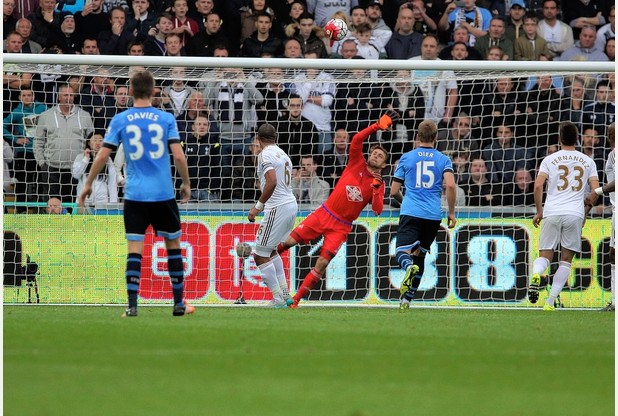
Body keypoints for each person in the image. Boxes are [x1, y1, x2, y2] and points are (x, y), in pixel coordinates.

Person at [78, 70, 193, 317]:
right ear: (153, 91)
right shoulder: (166, 119)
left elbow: (103, 154)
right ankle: (178, 303)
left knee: (134, 249)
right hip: (163, 194)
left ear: (130, 91)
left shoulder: (121, 120)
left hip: (135, 195)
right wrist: (185, 183)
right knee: (173, 245)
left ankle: (132, 306)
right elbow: (179, 156)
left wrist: (87, 184)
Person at [276, 110, 398, 308]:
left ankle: (295, 300)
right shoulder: (356, 162)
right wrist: (376, 126)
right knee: (289, 242)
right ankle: (267, 261)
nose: (376, 156)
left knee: (322, 264)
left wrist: (375, 190)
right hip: (324, 213)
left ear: (384, 164)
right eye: (374, 153)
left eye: (380, 156)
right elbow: (357, 138)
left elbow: (377, 210)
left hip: (341, 227)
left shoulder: (379, 183)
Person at [528, 122, 599, 311]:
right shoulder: (588, 161)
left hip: (552, 211)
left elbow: (537, 185)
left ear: (559, 138)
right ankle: (550, 302)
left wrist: (539, 211)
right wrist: (586, 211)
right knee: (566, 260)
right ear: (578, 139)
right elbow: (595, 191)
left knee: (545, 255)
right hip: (574, 213)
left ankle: (537, 274)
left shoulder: (550, 160)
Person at [390, 120, 457, 310]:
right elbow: (451, 185)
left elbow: (394, 190)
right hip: (433, 215)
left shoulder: (407, 158)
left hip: (411, 212)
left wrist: (406, 202)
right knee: (420, 255)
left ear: (417, 137)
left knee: (402, 252)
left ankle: (407, 268)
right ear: (436, 138)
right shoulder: (443, 159)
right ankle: (407, 300)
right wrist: (451, 212)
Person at [247, 123, 298, 308]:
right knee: (271, 250)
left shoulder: (264, 154)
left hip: (277, 207)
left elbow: (272, 181)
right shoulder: (283, 154)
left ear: (258, 139)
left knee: (260, 256)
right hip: (290, 204)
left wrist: (257, 207)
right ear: (275, 138)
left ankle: (277, 299)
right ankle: (285, 295)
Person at [585, 122, 615, 311]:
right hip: (615, 210)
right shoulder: (612, 154)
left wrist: (597, 191)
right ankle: (614, 301)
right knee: (613, 255)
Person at [72, 130, 118, 210]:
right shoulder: (80, 157)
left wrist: (113, 205)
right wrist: (86, 159)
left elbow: (112, 183)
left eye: (100, 140)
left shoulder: (108, 160)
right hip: (84, 201)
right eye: (94, 140)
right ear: (89, 143)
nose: (97, 143)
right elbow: (76, 175)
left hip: (102, 202)